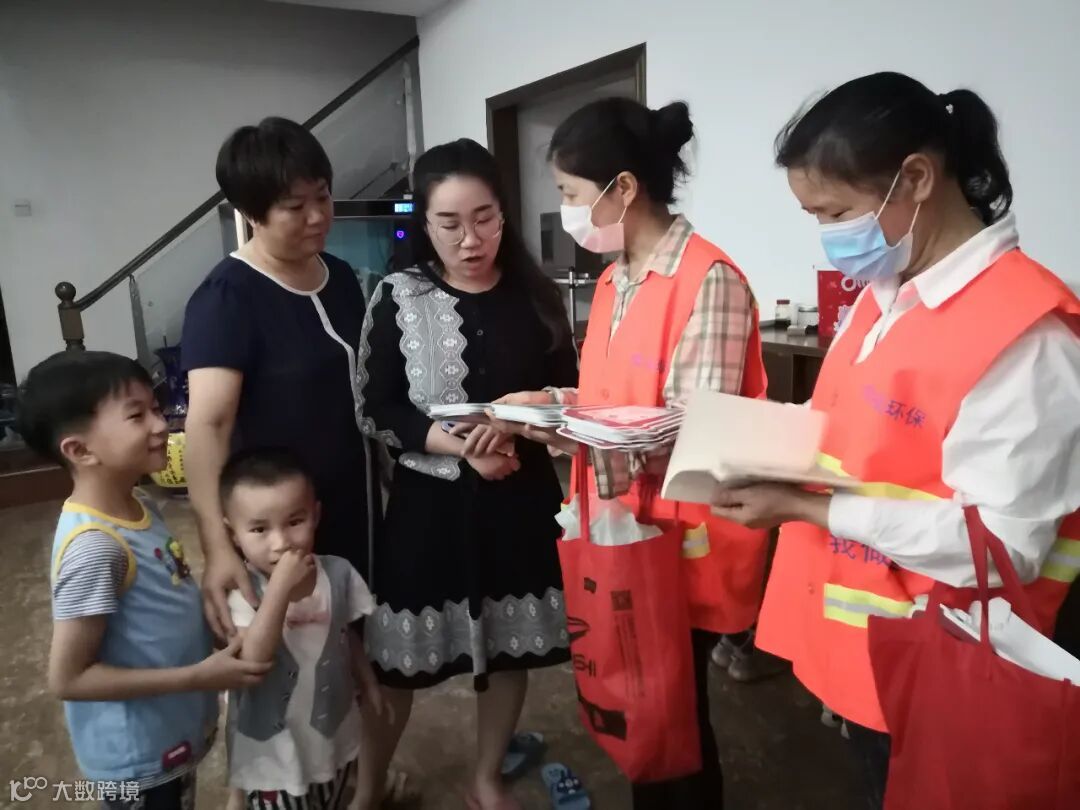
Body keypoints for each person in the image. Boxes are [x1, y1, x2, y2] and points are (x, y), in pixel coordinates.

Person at [710, 72, 1080, 809]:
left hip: (960, 666)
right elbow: (855, 430)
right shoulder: (887, 298)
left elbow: (1002, 548)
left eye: (836, 212)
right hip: (876, 652)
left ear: (915, 178)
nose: (828, 235)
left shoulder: (1027, 337)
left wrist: (807, 509)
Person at [494, 97, 770, 809]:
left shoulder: (708, 279)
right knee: (646, 709)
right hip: (624, 527)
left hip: (682, 538)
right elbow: (611, 398)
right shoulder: (617, 277)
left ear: (623, 188)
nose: (566, 212)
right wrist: (550, 404)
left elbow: (685, 428)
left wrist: (565, 427)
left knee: (674, 719)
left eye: (571, 194)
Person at [354, 138, 577, 810]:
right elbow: (376, 405)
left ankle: (485, 777)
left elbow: (568, 393)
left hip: (519, 498)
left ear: (504, 213)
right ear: (425, 224)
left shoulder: (536, 297)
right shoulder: (398, 296)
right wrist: (457, 448)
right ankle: (367, 791)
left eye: (484, 218)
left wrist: (519, 424)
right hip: (428, 507)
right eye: (449, 223)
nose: (470, 239)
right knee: (398, 659)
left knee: (509, 651)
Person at [16, 351, 269, 809]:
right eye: (137, 415)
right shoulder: (95, 548)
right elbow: (69, 678)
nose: (160, 424)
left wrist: (213, 629)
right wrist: (196, 676)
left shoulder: (137, 505)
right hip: (137, 759)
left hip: (169, 735)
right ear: (80, 450)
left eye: (155, 408)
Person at [182, 117, 377, 644]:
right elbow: (208, 425)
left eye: (323, 196)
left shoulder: (341, 279)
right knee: (296, 656)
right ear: (252, 213)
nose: (317, 216)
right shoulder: (228, 298)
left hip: (349, 503)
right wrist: (217, 546)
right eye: (294, 206)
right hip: (278, 525)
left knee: (357, 646)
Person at [219, 447, 384, 810]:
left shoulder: (338, 573)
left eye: (295, 521)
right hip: (272, 751)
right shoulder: (242, 593)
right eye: (259, 529)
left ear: (316, 515)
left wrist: (369, 682)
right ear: (233, 533)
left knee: (328, 793)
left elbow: (345, 634)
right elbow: (252, 661)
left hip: (330, 731)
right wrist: (279, 589)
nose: (281, 543)